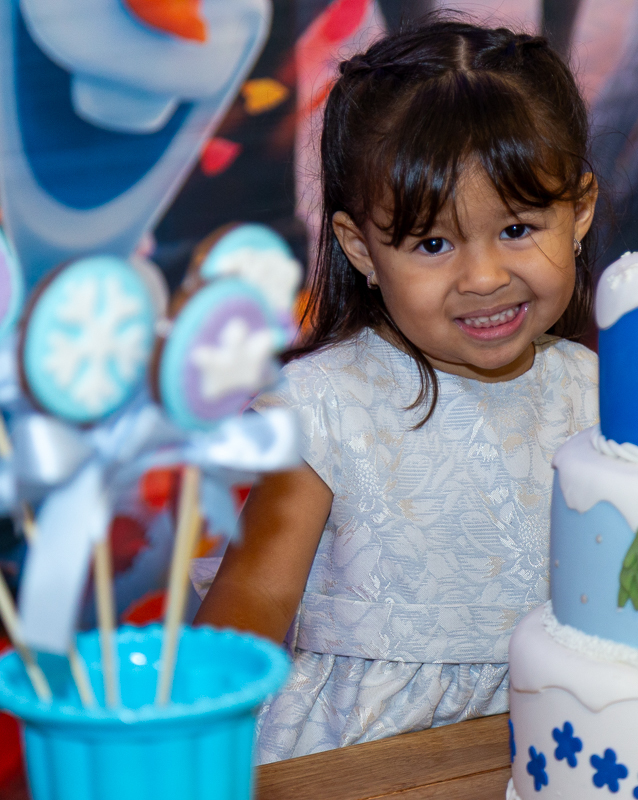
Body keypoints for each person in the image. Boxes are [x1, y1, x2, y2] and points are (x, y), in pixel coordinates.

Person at [195, 19, 601, 762]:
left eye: (516, 228)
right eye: (433, 245)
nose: (482, 277)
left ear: (577, 211)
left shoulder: (601, 396)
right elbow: (245, 614)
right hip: (360, 757)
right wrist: (190, 748)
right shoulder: (326, 410)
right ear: (362, 250)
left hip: (558, 743)